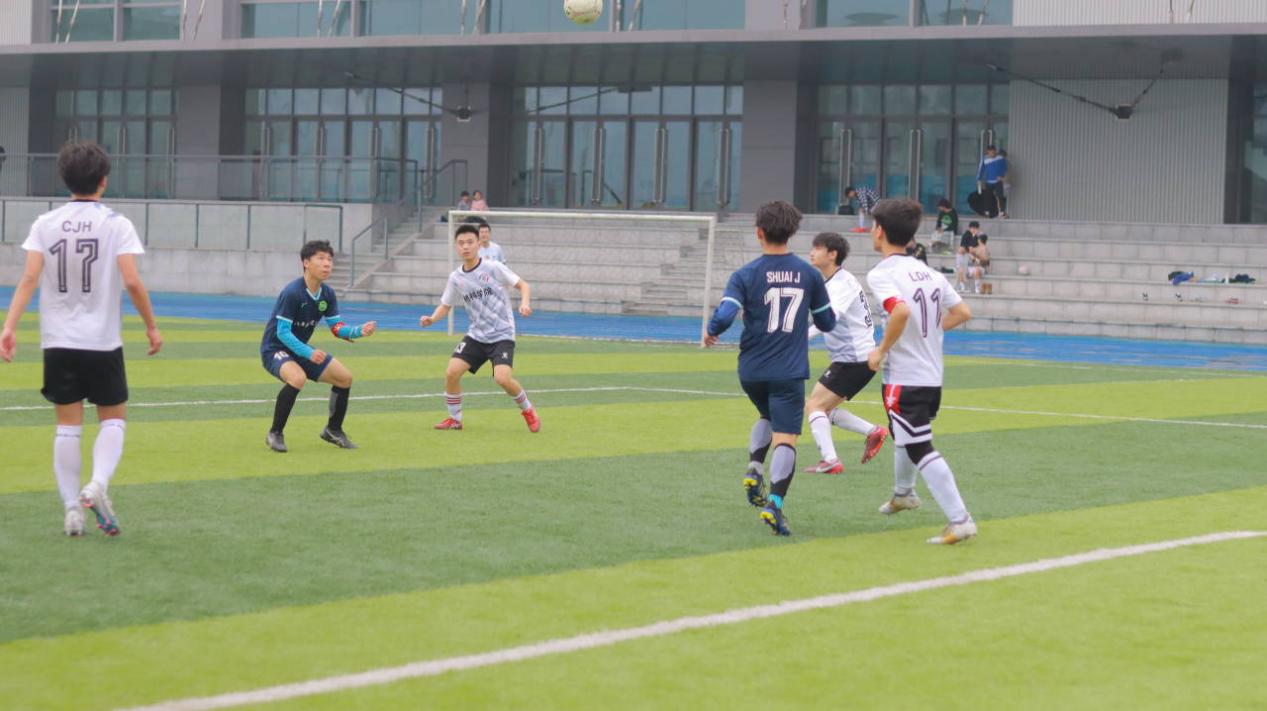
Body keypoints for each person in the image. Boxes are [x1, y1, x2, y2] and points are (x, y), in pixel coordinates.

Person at [0, 141, 163, 537]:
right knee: (114, 418)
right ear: (103, 180)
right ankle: (98, 484)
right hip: (102, 341)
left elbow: (29, 278)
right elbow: (131, 281)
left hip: (57, 341)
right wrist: (151, 326)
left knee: (67, 426)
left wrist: (9, 326)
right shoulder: (116, 224)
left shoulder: (45, 223)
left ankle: (72, 509)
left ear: (65, 179)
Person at [703, 201, 835, 536]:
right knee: (786, 437)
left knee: (766, 414)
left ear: (759, 232)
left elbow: (725, 315)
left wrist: (711, 331)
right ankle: (774, 504)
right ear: (793, 232)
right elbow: (827, 322)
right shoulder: (809, 274)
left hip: (751, 370)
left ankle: (753, 467)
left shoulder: (745, 274)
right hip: (788, 371)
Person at [865, 198, 977, 545]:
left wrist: (881, 350)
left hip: (906, 377)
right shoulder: (929, 273)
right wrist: (927, 333)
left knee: (918, 446)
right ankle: (903, 493)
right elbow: (962, 312)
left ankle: (960, 520)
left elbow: (899, 312)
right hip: (931, 376)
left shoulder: (882, 273)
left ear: (879, 231)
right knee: (905, 435)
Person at [419, 223, 539, 433]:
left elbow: (523, 285)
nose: (465, 247)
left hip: (502, 334)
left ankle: (528, 409)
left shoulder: (493, 267)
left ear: (478, 244)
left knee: (502, 378)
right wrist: (432, 318)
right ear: (456, 246)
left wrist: (525, 303)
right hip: (477, 335)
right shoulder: (456, 278)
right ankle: (455, 420)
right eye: (461, 243)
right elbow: (445, 305)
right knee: (452, 372)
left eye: (469, 242)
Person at [260, 240, 377, 453]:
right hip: (275, 349)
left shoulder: (327, 294)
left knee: (344, 378)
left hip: (300, 349)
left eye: (330, 259)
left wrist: (359, 331)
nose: (327, 264)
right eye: (321, 258)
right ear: (306, 263)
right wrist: (308, 352)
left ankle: (333, 430)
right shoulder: (292, 292)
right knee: (297, 378)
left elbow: (337, 328)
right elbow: (282, 333)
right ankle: (275, 433)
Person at [803, 232, 889, 476]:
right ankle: (873, 432)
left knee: (815, 406)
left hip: (855, 359)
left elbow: (828, 320)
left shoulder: (841, 284)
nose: (812, 252)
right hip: (855, 358)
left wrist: (798, 340)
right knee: (822, 409)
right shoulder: (835, 282)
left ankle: (831, 460)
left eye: (818, 248)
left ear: (832, 254)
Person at [977, 145, 1008, 219]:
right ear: (988, 152)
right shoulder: (984, 159)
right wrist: (979, 179)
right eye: (991, 152)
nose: (992, 154)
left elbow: (1004, 168)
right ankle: (987, 212)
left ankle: (1002, 213)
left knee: (1000, 196)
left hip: (998, 181)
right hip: (988, 181)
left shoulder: (1000, 158)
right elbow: (981, 169)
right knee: (987, 197)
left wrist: (1002, 176)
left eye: (994, 152)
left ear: (996, 151)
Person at [956, 221, 984, 292]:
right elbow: (964, 247)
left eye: (976, 228)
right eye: (972, 228)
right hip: (966, 262)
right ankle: (962, 286)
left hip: (975, 263)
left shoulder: (979, 237)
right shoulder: (966, 235)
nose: (974, 230)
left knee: (976, 269)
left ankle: (976, 288)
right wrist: (970, 252)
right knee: (960, 268)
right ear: (969, 228)